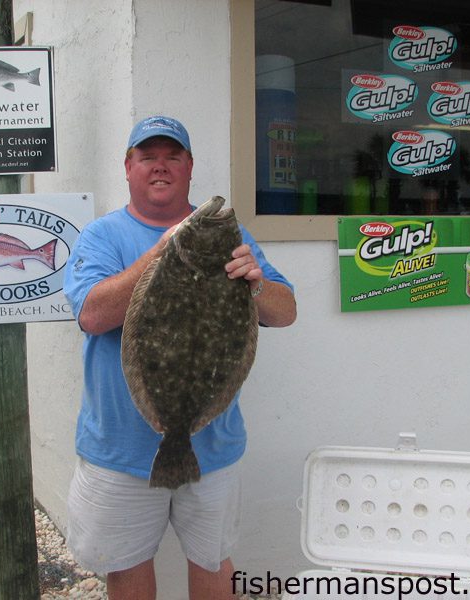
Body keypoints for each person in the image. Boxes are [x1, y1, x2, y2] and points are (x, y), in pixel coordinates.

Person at [63, 115, 296, 600]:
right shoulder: (102, 236)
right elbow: (92, 315)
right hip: (119, 450)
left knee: (212, 561)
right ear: (128, 167)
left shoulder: (234, 240)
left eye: (173, 157)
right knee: (125, 566)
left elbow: (286, 310)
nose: (160, 167)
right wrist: (161, 253)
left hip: (212, 447)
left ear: (190, 167)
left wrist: (256, 285)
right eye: (148, 157)